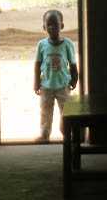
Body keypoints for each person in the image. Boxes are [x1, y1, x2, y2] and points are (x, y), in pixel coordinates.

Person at [33, 9, 78, 142]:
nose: (52, 27)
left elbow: (73, 65)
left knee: (66, 111)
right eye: (49, 25)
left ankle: (66, 133)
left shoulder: (68, 44)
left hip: (63, 85)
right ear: (44, 27)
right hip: (46, 85)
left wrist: (75, 79)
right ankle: (44, 134)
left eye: (56, 25)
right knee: (45, 112)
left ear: (62, 26)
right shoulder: (41, 45)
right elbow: (37, 64)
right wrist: (36, 82)